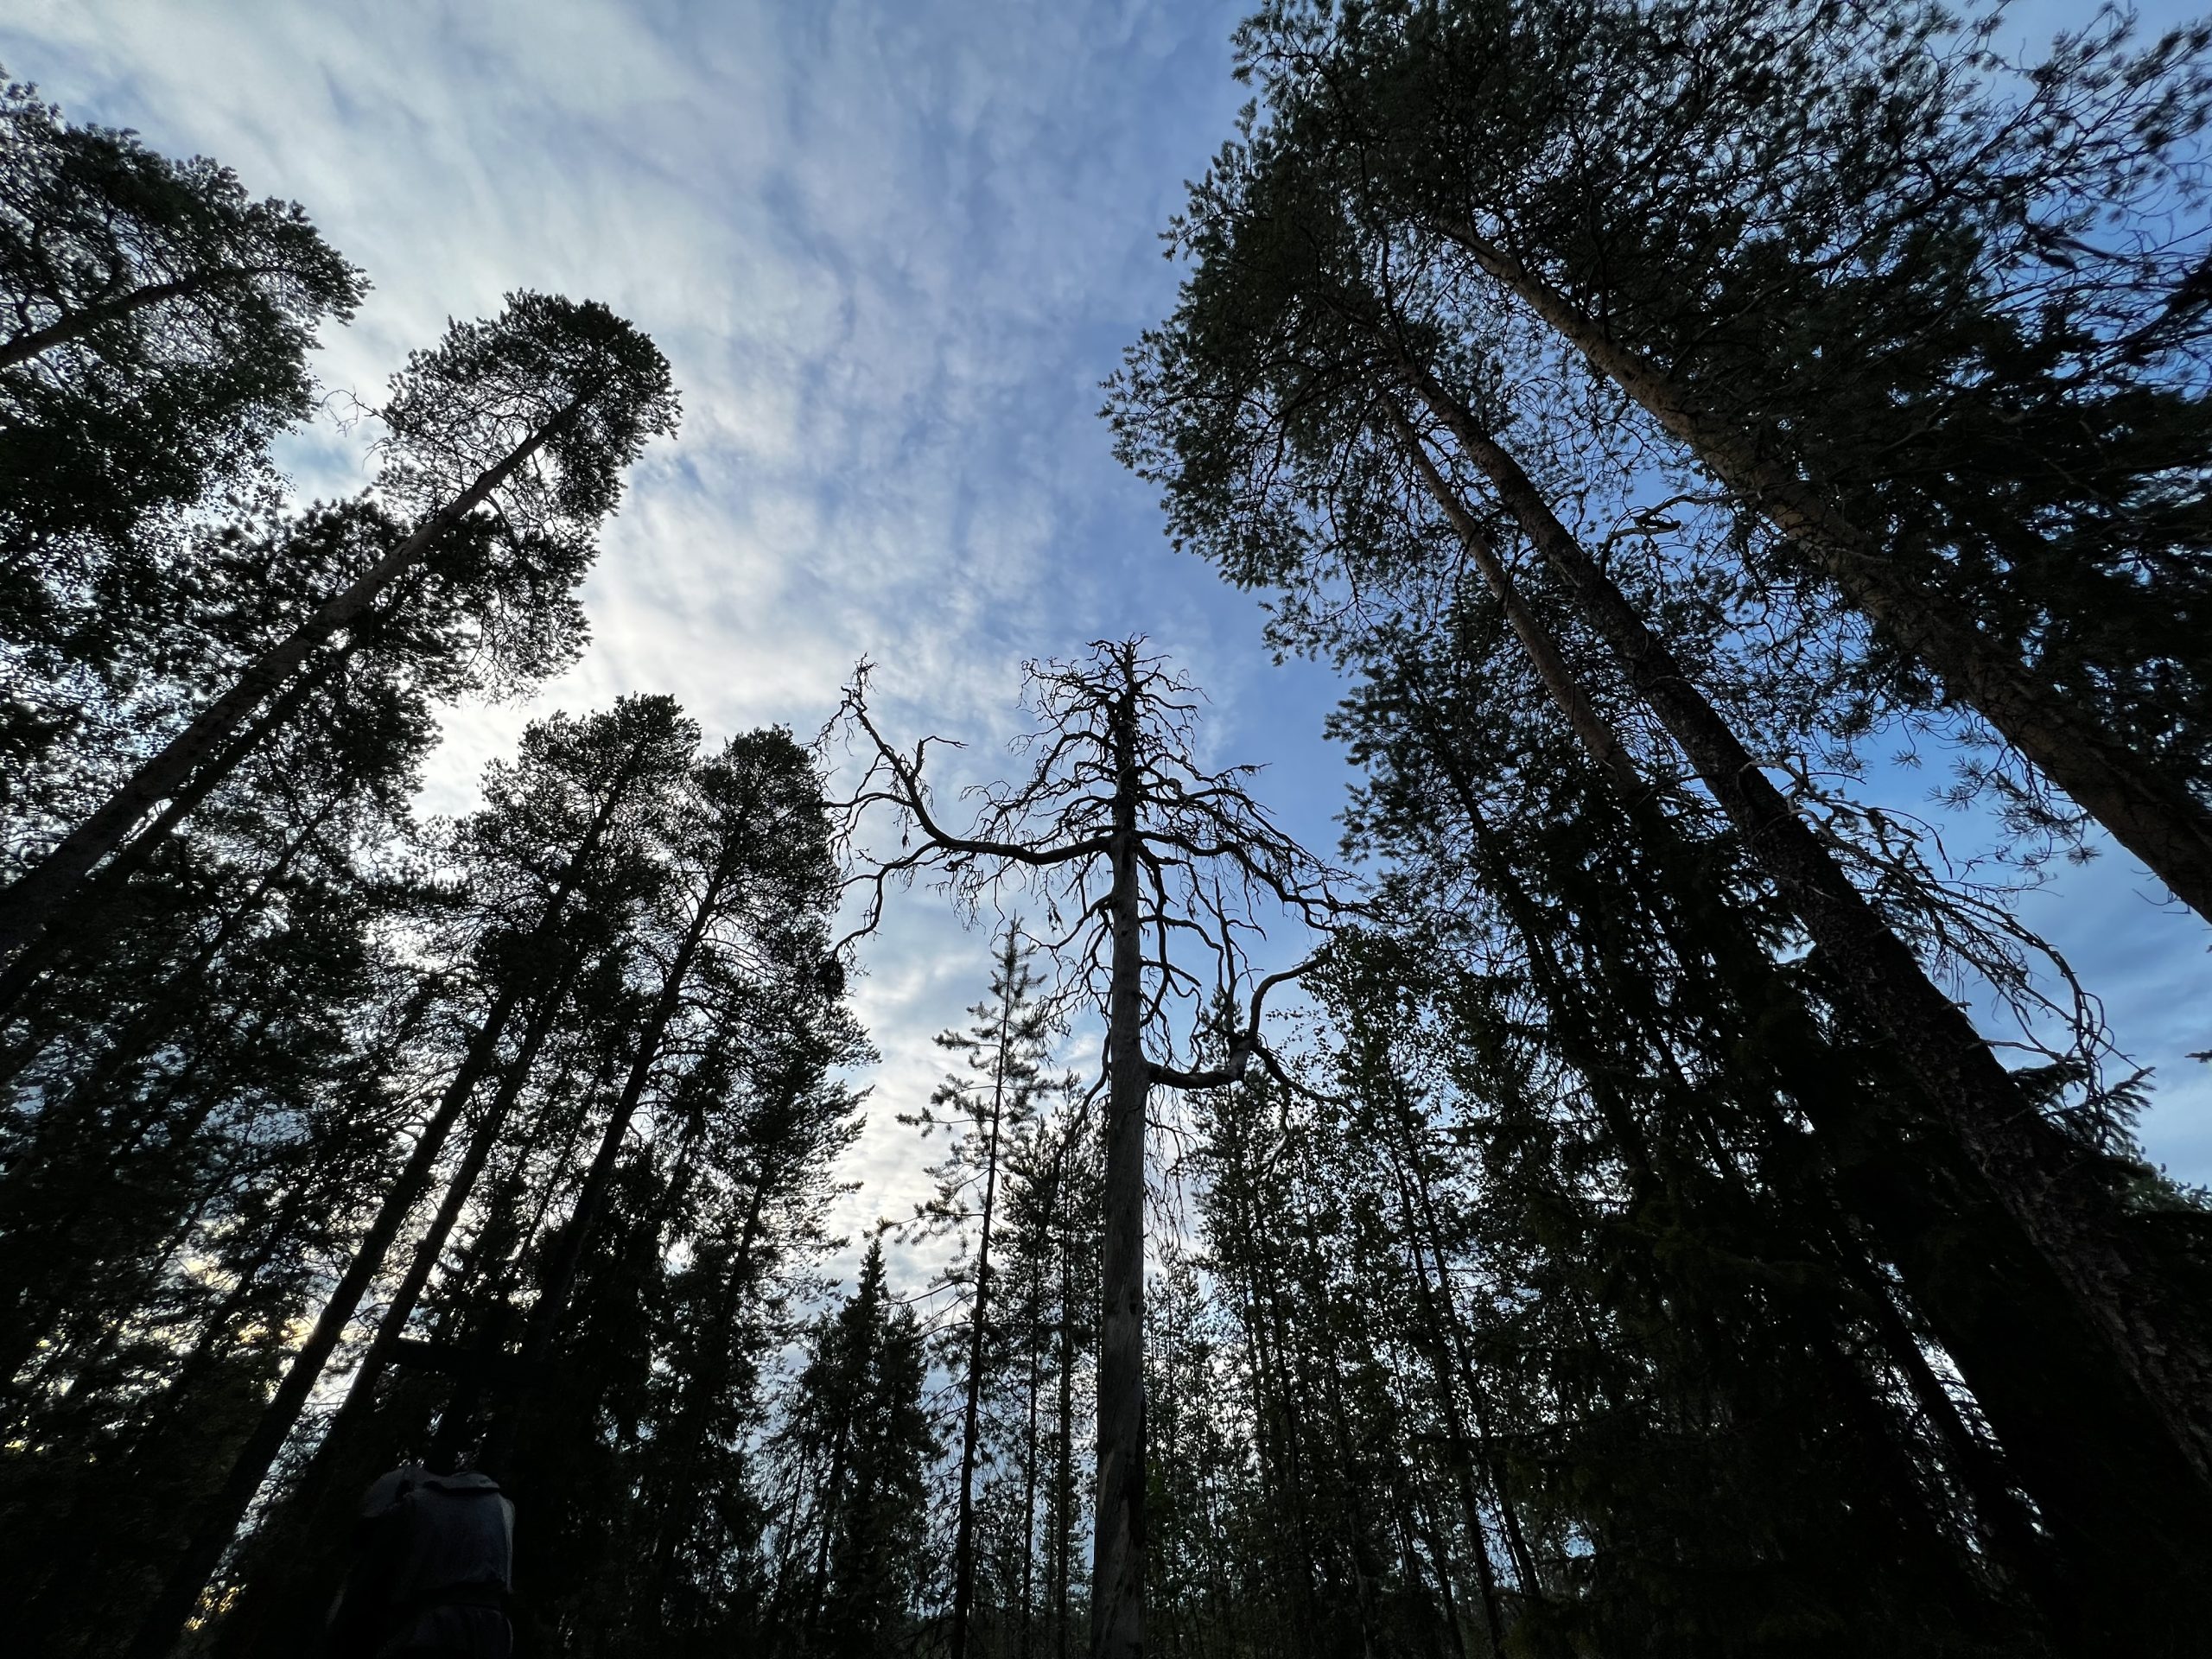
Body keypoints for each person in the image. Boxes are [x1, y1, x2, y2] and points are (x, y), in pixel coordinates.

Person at [323, 1451, 515, 1659]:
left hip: (429, 1632)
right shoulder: (501, 1507)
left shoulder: (411, 1506)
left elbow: (361, 1595)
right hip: (492, 1635)